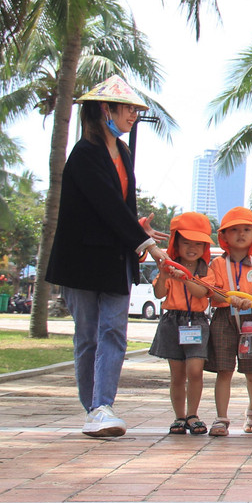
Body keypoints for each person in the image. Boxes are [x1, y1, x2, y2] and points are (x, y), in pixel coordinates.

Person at [45, 76, 168, 437]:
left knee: (114, 331)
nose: (133, 115)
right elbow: (106, 205)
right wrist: (146, 244)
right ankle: (93, 408)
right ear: (104, 110)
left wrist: (138, 228)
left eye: (134, 109)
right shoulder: (84, 154)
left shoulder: (124, 152)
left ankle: (103, 405)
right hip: (82, 262)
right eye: (128, 108)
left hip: (115, 260)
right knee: (88, 336)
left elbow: (120, 208)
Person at [204, 206, 252, 435]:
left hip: (251, 318)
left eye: (246, 229)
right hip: (224, 318)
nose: (240, 234)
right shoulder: (216, 264)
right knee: (224, 369)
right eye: (233, 230)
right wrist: (228, 297)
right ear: (223, 236)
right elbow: (211, 291)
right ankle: (221, 417)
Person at [150, 212, 216, 435]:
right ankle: (179, 417)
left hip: (196, 321)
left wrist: (186, 277)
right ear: (175, 242)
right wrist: (164, 274)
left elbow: (203, 293)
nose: (192, 247)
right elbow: (159, 294)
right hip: (172, 320)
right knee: (177, 374)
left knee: (195, 370)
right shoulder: (168, 266)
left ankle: (192, 414)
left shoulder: (207, 269)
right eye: (186, 242)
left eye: (198, 243)